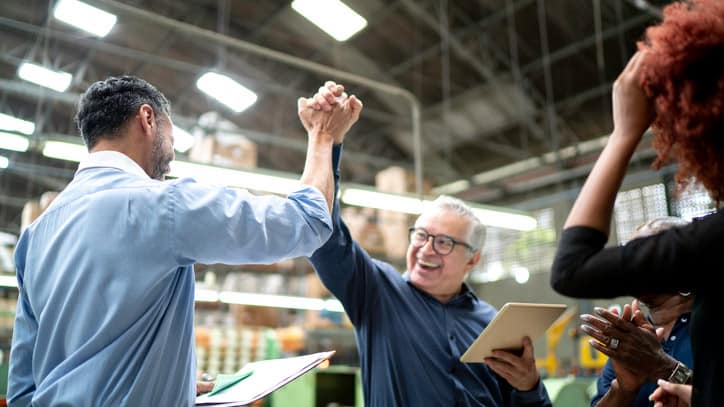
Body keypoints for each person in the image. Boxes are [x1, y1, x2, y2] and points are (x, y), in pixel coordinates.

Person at [8, 76, 362, 406]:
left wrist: (170, 381)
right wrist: (323, 136)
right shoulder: (163, 205)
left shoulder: (36, 236)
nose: (171, 155)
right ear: (147, 119)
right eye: (171, 136)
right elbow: (307, 222)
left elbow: (23, 389)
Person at [306, 86, 551, 406]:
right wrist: (325, 140)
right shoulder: (377, 293)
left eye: (444, 242)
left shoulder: (493, 324)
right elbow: (323, 235)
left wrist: (529, 386)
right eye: (420, 235)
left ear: (472, 260)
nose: (426, 249)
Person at [550, 0, 723, 405]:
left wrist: (624, 133)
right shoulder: (635, 336)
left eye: (647, 252)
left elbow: (572, 268)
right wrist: (630, 384)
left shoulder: (713, 244)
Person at [582, 218, 694, 407]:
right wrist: (623, 390)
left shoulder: (713, 324)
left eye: (643, 251)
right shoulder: (633, 339)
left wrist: (662, 366)